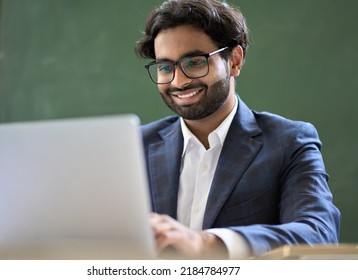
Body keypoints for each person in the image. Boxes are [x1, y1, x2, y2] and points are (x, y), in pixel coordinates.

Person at [135, 0, 341, 259]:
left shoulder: (289, 142)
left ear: (234, 60)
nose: (179, 81)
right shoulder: (134, 147)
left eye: (195, 62)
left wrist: (207, 244)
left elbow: (319, 234)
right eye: (165, 67)